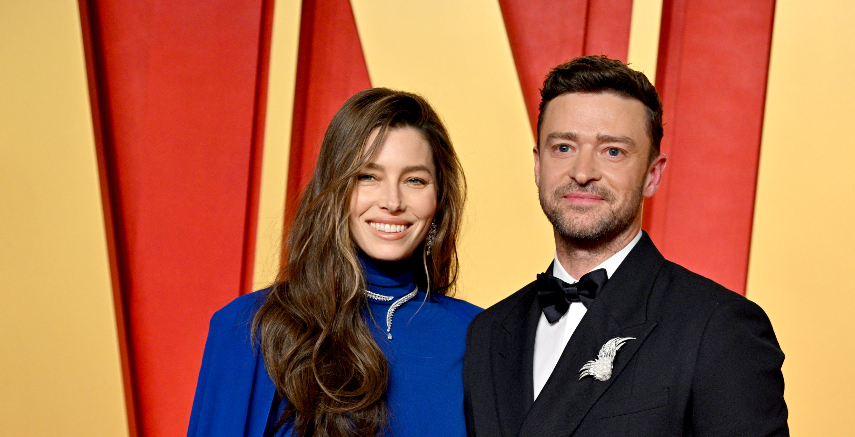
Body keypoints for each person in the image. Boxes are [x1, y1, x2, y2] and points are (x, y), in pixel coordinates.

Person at [463, 56, 788, 436]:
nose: (583, 172)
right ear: (538, 166)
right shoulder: (487, 331)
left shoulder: (718, 328)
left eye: (612, 151)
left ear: (652, 174)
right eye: (564, 147)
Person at [188, 88, 481, 437]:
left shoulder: (479, 334)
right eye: (367, 176)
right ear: (335, 189)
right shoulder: (250, 328)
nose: (392, 201)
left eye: (415, 180)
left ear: (439, 199)